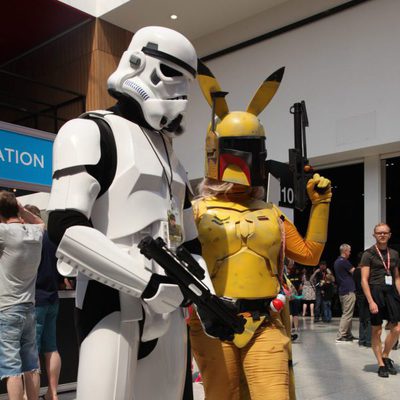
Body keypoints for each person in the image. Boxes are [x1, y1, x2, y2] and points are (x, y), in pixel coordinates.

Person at [46, 26, 222, 400]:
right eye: (172, 74)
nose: (180, 92)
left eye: (186, 81)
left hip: (171, 309)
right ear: (139, 62)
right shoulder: (87, 131)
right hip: (110, 302)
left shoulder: (173, 157)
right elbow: (65, 229)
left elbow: (189, 242)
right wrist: (147, 283)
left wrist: (202, 288)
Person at [189, 61, 332, 400]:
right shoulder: (194, 211)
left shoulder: (271, 214)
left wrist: (321, 203)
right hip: (212, 323)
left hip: (264, 320)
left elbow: (310, 254)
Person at [0, 191, 44, 400]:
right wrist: (23, 210)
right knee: (31, 364)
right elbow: (41, 222)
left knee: (11, 368)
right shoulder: (35, 232)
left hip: (7, 308)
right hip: (29, 306)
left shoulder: (4, 232)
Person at [25, 205, 61, 400]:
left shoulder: (32, 239)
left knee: (33, 351)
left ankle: (30, 394)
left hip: (35, 300)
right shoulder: (52, 239)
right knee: (51, 348)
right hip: (53, 298)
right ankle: (53, 393)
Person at [360, 223, 400, 378]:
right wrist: (370, 301)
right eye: (379, 233)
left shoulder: (394, 254)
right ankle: (381, 364)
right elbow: (364, 280)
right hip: (375, 292)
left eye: (385, 233)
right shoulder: (368, 254)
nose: (382, 235)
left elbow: (396, 277)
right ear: (374, 235)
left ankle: (385, 355)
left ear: (389, 235)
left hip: (391, 293)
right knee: (377, 330)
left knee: (397, 328)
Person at [334, 244, 356, 342]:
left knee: (347, 313)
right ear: (345, 251)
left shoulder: (337, 262)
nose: (350, 253)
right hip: (348, 290)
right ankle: (341, 335)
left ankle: (348, 334)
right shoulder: (344, 262)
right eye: (349, 251)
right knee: (347, 314)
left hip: (343, 290)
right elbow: (354, 272)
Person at [353, 253, 371, 348]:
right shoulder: (365, 271)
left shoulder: (355, 271)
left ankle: (361, 340)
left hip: (359, 295)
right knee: (368, 318)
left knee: (362, 318)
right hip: (366, 295)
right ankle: (368, 341)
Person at [286, 259, 303, 340]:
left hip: (289, 297)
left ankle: (289, 330)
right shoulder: (298, 277)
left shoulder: (287, 277)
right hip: (296, 296)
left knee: (289, 313)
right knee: (295, 313)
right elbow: (300, 288)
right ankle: (296, 329)